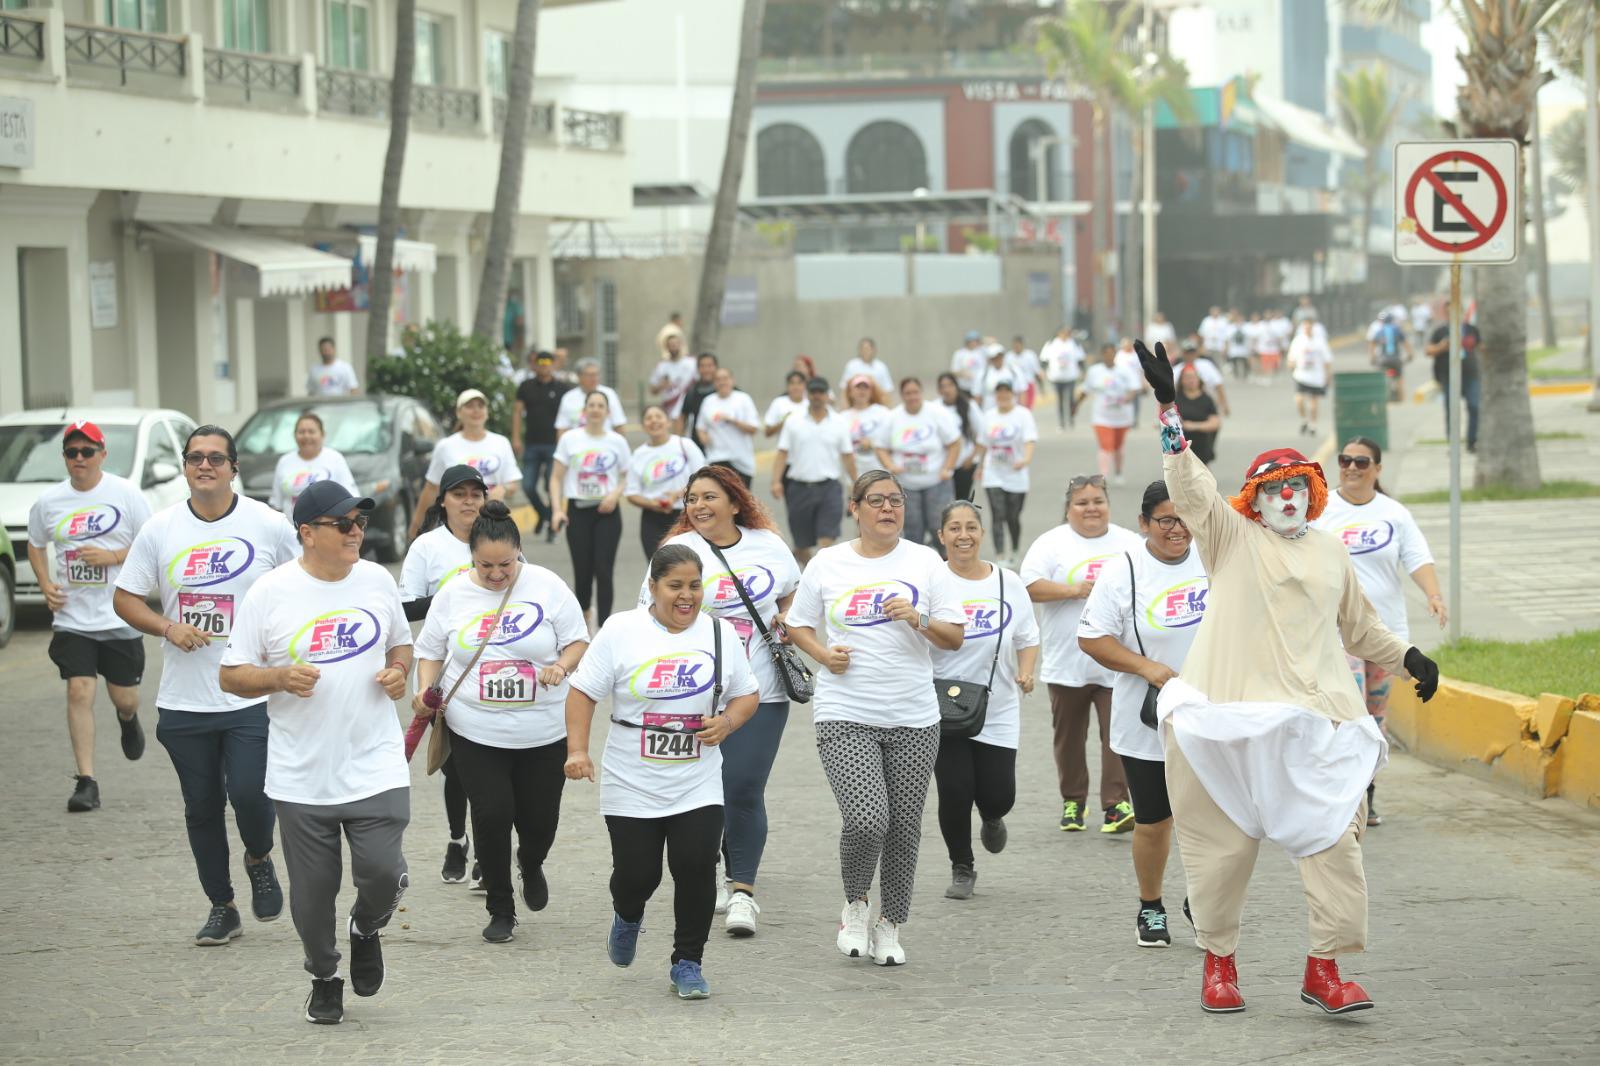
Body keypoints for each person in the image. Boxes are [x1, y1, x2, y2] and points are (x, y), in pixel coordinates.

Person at [1132, 339, 1440, 1016]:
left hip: (1317, 719)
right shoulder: (1229, 538)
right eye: (1273, 488)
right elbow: (1191, 487)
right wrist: (1169, 407)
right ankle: (1219, 965)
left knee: (1338, 841)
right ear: (1254, 500)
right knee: (1220, 852)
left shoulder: (1332, 553)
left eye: (1297, 485)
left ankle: (1324, 969)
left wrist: (1409, 658)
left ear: (1314, 493)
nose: (1287, 497)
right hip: (1228, 721)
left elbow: (1360, 629)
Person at [219, 481, 413, 1026]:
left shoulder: (377, 580)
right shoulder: (270, 592)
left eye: (360, 522)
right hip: (301, 774)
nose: (356, 532)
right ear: (307, 533)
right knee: (312, 897)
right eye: (343, 523)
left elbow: (400, 642)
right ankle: (325, 977)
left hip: (375, 761)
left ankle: (366, 926)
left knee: (383, 873)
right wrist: (277, 677)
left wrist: (399, 670)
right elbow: (231, 675)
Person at [111, 425, 299, 943]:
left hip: (250, 692)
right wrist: (167, 627)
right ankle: (222, 905)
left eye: (216, 458)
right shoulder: (161, 528)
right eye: (195, 458)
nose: (205, 466)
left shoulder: (268, 524)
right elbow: (125, 598)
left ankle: (259, 856)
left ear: (234, 467)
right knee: (201, 807)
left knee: (250, 794)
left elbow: (303, 580)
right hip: (185, 698)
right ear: (185, 467)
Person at [785, 471, 965, 967]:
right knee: (867, 820)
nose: (888, 508)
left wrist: (918, 618)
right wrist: (824, 655)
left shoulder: (925, 562)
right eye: (877, 500)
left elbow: (954, 636)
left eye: (896, 500)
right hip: (846, 712)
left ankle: (891, 925)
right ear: (855, 508)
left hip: (914, 716)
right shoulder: (828, 563)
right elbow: (796, 624)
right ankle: (856, 904)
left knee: (904, 828)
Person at [565, 544, 760, 1000]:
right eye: (675, 586)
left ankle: (687, 962)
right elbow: (583, 693)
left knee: (696, 867)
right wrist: (578, 751)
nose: (686, 595)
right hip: (631, 778)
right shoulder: (621, 630)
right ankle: (628, 914)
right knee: (638, 876)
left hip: (697, 778)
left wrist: (727, 722)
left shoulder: (719, 633)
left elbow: (747, 693)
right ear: (652, 587)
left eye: (694, 585)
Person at [412, 501, 588, 943]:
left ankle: (530, 861)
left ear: (518, 552)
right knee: (491, 815)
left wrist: (561, 667)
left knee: (540, 822)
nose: (496, 574)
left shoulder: (547, 585)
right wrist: (425, 689)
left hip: (543, 730)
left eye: (505, 565)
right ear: (471, 557)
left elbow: (578, 641)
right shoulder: (453, 593)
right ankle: (500, 907)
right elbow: (430, 650)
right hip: (476, 729)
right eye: (485, 565)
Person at [649, 467, 801, 936]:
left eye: (709, 497)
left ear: (735, 502)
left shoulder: (768, 545)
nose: (698, 506)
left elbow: (794, 596)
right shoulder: (678, 550)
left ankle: (743, 893)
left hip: (762, 688)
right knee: (707, 788)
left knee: (743, 785)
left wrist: (786, 621)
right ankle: (714, 866)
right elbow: (649, 613)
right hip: (694, 691)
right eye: (692, 498)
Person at [1077, 480, 1209, 947]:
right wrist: (1145, 667)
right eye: (1166, 520)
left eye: (1185, 519)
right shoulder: (1124, 571)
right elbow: (1091, 637)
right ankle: (1150, 906)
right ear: (1144, 523)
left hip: (1211, 714)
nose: (1178, 529)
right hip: (1147, 718)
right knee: (1154, 820)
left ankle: (1204, 901)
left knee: (1212, 819)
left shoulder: (1213, 556)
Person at [1312, 437, 1446, 826]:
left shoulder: (1394, 513)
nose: (1352, 468)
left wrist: (1434, 596)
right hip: (1338, 632)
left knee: (1375, 713)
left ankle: (1367, 790)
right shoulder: (1322, 510)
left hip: (1384, 634)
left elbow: (1417, 557)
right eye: (1345, 460)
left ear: (1378, 469)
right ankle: (1345, 792)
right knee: (1350, 707)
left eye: (1361, 462)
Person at [27, 420, 152, 813]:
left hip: (120, 614)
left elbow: (150, 542)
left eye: (87, 451)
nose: (79, 458)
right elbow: (35, 543)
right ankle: (87, 781)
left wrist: (113, 556)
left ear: (102, 454)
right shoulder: (49, 502)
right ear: (65, 457)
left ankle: (127, 718)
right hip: (73, 617)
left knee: (124, 697)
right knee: (79, 691)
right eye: (71, 452)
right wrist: (45, 583)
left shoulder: (126, 494)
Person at [929, 501, 1039, 900]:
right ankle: (962, 866)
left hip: (998, 703)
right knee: (955, 791)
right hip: (941, 703)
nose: (963, 536)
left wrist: (1026, 671)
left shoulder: (1008, 582)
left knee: (998, 794)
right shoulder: (929, 582)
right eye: (954, 528)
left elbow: (1027, 637)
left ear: (982, 533)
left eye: (971, 527)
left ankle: (992, 816)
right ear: (941, 536)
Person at [1021, 475, 1141, 833]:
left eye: (1098, 501)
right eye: (1082, 502)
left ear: (1108, 504)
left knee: (1117, 734)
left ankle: (1116, 804)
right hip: (1067, 662)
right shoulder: (1052, 543)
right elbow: (1029, 586)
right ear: (1069, 508)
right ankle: (1073, 801)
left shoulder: (1129, 543)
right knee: (1069, 740)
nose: (1091, 508)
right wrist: (1073, 590)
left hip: (1117, 661)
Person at [400, 464, 488, 887]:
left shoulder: (498, 539)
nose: (468, 501)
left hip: (491, 668)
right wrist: (454, 595)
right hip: (446, 670)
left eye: (476, 494)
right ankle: (457, 838)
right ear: (444, 502)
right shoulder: (427, 547)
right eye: (459, 494)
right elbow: (406, 607)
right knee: (455, 766)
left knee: (486, 764)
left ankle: (486, 852)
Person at [550, 391, 633, 624]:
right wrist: (557, 510)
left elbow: (630, 475)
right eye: (592, 405)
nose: (596, 409)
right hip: (578, 512)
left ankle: (605, 626)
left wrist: (615, 494)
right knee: (582, 572)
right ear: (584, 410)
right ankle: (585, 618)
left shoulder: (617, 441)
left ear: (608, 412)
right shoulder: (570, 439)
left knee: (604, 570)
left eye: (600, 405)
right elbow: (556, 477)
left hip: (607, 512)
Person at [408, 389, 521, 541]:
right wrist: (416, 526)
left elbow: (513, 484)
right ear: (459, 413)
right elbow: (432, 488)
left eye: (480, 406)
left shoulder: (501, 443)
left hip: (492, 522)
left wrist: (504, 488)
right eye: (469, 406)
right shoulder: (446, 446)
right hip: (456, 525)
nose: (476, 410)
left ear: (487, 412)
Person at [772, 377, 856, 565]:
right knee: (801, 545)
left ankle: (821, 575)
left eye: (821, 392)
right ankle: (811, 570)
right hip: (799, 488)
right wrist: (776, 481)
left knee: (826, 541)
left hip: (829, 487)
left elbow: (848, 456)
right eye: (813, 392)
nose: (817, 396)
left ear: (827, 395)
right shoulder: (793, 421)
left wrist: (855, 483)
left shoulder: (839, 422)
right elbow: (782, 452)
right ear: (807, 395)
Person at [876, 377, 960, 549]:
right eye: (908, 393)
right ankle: (916, 563)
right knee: (912, 528)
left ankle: (946, 559)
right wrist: (890, 466)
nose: (912, 397)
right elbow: (880, 447)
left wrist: (948, 468)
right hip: (906, 485)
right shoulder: (893, 417)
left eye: (915, 392)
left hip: (936, 481)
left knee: (939, 524)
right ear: (902, 395)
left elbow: (955, 443)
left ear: (921, 393)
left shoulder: (936, 413)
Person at [626, 405, 707, 561]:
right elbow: (631, 493)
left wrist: (678, 495)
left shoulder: (685, 445)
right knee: (658, 568)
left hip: (686, 515)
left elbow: (704, 477)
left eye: (658, 416)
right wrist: (652, 503)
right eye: (648, 418)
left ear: (668, 422)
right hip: (652, 519)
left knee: (691, 564)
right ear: (643, 426)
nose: (654, 421)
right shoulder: (639, 454)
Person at [513, 350, 573, 541]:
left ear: (554, 365)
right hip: (532, 444)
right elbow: (517, 412)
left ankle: (552, 527)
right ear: (535, 365)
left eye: (548, 363)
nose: (544, 366)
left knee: (550, 485)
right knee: (528, 485)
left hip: (555, 446)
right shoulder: (526, 386)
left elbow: (569, 417)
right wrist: (516, 437)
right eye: (541, 363)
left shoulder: (563, 388)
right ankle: (545, 514)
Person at [979, 381, 1037, 567]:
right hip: (993, 472)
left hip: (1016, 473)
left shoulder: (1023, 415)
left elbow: (1030, 440)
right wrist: (979, 467)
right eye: (999, 393)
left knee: (1013, 516)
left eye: (1006, 393)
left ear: (1013, 394)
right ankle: (1000, 555)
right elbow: (983, 444)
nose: (1003, 396)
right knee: (998, 514)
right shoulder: (988, 416)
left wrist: (1026, 459)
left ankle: (1015, 550)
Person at [269, 411, 357, 516]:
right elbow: (276, 504)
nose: (306, 436)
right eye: (301, 432)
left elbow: (351, 498)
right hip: (290, 526)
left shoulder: (335, 459)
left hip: (328, 525)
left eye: (311, 432)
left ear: (322, 434)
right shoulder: (284, 461)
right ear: (295, 435)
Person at [1082, 344, 1139, 485]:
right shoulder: (1094, 371)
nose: (1109, 356)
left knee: (1118, 447)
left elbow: (1134, 388)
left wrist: (1128, 397)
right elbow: (1085, 390)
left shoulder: (1125, 370)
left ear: (1115, 354)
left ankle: (1118, 471)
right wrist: (1075, 405)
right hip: (1101, 416)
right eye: (1106, 353)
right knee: (1105, 445)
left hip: (1121, 416)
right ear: (1102, 355)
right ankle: (1103, 475)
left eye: (1112, 353)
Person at [696, 368, 760, 488]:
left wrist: (732, 420)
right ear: (714, 383)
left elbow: (753, 428)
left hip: (741, 461)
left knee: (740, 498)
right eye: (718, 379)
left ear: (732, 380)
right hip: (716, 458)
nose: (722, 382)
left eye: (725, 379)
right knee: (719, 496)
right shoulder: (708, 401)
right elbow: (700, 427)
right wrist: (703, 437)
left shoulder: (743, 399)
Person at [1425, 319, 1481, 452]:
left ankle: (1472, 441)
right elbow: (1428, 350)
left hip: (1471, 374)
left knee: (1474, 406)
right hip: (1448, 375)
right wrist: (1442, 346)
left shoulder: (1471, 329)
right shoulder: (1440, 331)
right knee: (1452, 409)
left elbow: (1481, 347)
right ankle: (1453, 443)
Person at [935, 372, 986, 504]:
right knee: (944, 503)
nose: (947, 389)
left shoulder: (969, 406)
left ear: (957, 387)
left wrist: (972, 457)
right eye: (943, 386)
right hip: (943, 464)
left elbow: (983, 433)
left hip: (964, 464)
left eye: (950, 385)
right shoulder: (935, 407)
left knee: (962, 502)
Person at [555, 360, 628, 435]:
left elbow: (619, 424)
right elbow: (562, 427)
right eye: (590, 375)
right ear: (579, 376)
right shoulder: (568, 397)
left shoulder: (610, 394)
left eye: (596, 374)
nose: (594, 378)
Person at [1288, 317, 1333, 438]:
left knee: (1314, 402)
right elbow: (1291, 358)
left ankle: (1313, 425)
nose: (1307, 329)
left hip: (1316, 376)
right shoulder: (1298, 341)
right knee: (1299, 400)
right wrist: (1291, 364)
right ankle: (1304, 420)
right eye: (1305, 326)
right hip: (1301, 375)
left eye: (1309, 326)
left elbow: (1327, 360)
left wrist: (1328, 375)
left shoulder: (1320, 341)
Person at [842, 375, 890, 477]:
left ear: (871, 392)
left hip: (879, 471)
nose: (862, 391)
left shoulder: (883, 413)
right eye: (858, 387)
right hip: (855, 473)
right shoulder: (842, 417)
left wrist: (873, 443)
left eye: (866, 387)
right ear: (850, 392)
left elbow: (891, 440)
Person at [1175, 364, 1222, 465]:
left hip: (1203, 445)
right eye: (1187, 377)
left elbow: (1215, 423)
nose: (1191, 380)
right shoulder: (1175, 400)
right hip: (1181, 447)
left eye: (1193, 377)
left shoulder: (1206, 399)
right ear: (1182, 380)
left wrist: (1193, 426)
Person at [650, 332, 698, 431]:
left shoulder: (692, 363)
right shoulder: (661, 365)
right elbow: (653, 390)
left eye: (675, 344)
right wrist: (661, 386)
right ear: (666, 347)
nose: (673, 347)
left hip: (688, 406)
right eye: (670, 345)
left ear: (681, 345)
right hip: (669, 406)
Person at [1040, 327, 1085, 429]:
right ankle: (1061, 422)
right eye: (1062, 333)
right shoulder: (1051, 344)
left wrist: (1083, 371)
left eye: (1066, 333)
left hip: (1070, 376)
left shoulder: (1074, 344)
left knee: (1070, 399)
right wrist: (1043, 370)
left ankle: (1071, 418)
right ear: (1058, 333)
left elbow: (1080, 359)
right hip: (1056, 377)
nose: (1064, 335)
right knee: (1060, 400)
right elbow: (1044, 359)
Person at [1171, 338, 1230, 416]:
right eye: (1187, 352)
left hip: (1206, 404)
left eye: (1192, 352)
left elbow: (1219, 385)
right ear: (1183, 353)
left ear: (1196, 353)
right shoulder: (1176, 370)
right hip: (1184, 405)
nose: (1190, 355)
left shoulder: (1206, 365)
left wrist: (1224, 404)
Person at [1370, 312, 1412, 403]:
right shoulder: (1397, 330)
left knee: (1381, 377)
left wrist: (1373, 358)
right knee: (1399, 378)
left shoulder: (1380, 331)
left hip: (1383, 360)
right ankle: (1402, 399)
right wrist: (1410, 355)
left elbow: (1372, 344)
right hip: (1396, 359)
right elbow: (1406, 343)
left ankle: (1382, 398)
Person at [680, 353, 721, 444]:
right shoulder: (692, 392)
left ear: (716, 367)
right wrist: (679, 441)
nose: (706, 370)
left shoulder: (729, 390)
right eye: (702, 366)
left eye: (709, 366)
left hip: (724, 445)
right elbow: (683, 416)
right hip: (698, 444)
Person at [975, 343, 1024, 410]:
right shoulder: (983, 373)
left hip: (1010, 410)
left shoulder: (1014, 371)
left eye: (999, 356)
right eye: (994, 357)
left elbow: (1021, 392)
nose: (997, 359)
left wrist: (1022, 409)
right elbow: (977, 395)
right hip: (989, 410)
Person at [763, 371, 809, 438]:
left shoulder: (810, 403)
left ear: (805, 386)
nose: (796, 387)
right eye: (792, 383)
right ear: (787, 386)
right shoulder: (778, 402)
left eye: (799, 383)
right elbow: (767, 432)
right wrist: (783, 422)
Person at [1009, 334, 1043, 409]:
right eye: (1014, 345)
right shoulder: (1009, 356)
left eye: (1018, 345)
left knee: (1026, 409)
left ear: (1022, 345)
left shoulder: (1030, 355)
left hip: (1028, 384)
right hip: (1015, 387)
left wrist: (1042, 388)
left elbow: (1037, 372)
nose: (1016, 347)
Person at [949, 330, 986, 395]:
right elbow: (953, 371)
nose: (974, 343)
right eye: (972, 341)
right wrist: (962, 374)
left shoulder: (982, 352)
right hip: (964, 388)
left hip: (979, 388)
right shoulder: (959, 354)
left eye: (976, 341)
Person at [1224, 309, 1252, 382]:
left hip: (1244, 349)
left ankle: (1245, 375)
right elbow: (1227, 339)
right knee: (1234, 362)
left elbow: (1250, 338)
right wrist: (1226, 348)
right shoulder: (1231, 327)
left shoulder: (1247, 327)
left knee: (1245, 362)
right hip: (1234, 349)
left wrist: (1250, 348)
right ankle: (1236, 375)